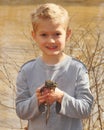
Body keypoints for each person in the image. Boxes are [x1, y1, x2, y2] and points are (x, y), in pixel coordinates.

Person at [16, 3, 93, 130]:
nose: (51, 40)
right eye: (44, 35)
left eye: (57, 34)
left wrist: (61, 97)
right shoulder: (26, 71)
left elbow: (86, 110)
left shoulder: (77, 69)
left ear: (67, 35)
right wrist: (37, 99)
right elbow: (21, 112)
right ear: (34, 36)